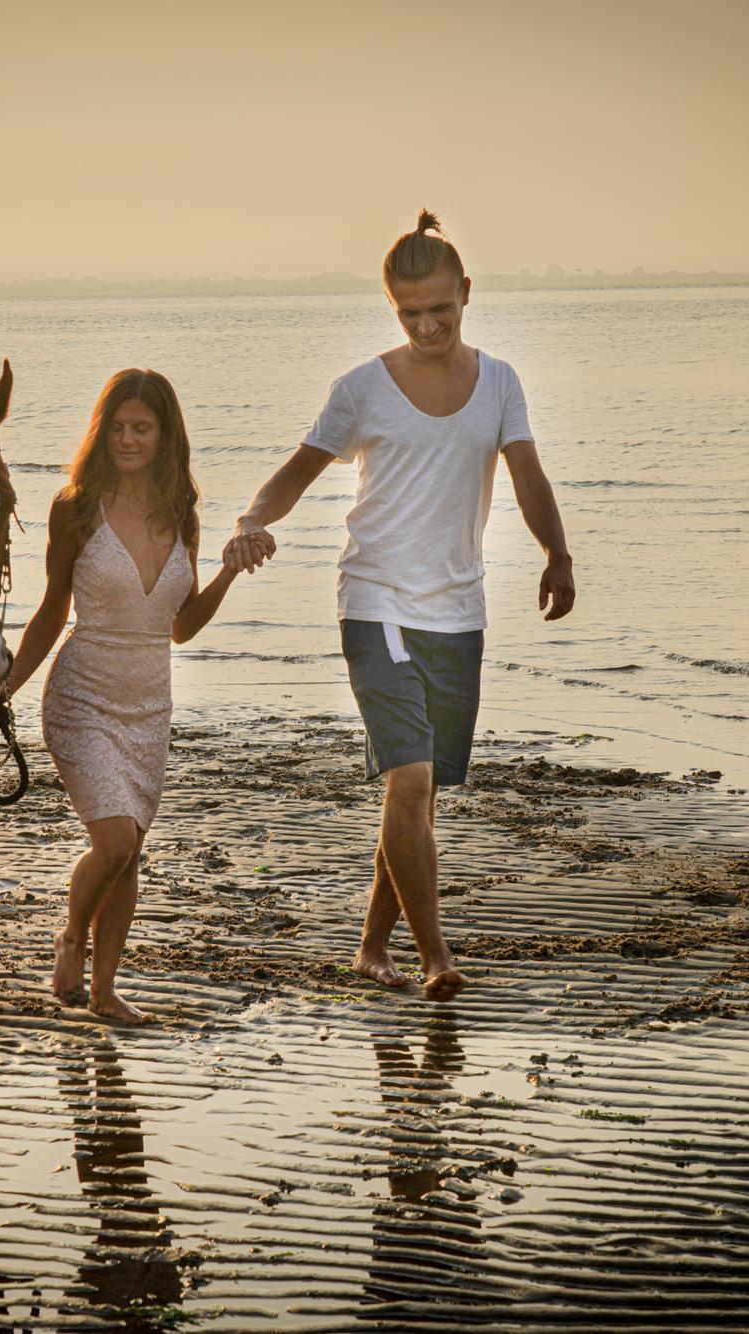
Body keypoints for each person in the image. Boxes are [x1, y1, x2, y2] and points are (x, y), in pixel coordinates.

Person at [223, 210, 576, 1003]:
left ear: (466, 294)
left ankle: (371, 946)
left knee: (417, 795)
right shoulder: (362, 389)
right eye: (410, 312)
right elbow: (295, 474)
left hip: (460, 608)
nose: (426, 325)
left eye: (440, 309)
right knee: (410, 781)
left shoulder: (502, 382)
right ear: (392, 306)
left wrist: (558, 553)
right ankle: (435, 958)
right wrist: (252, 520)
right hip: (375, 597)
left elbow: (528, 476)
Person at [4, 369, 243, 1024]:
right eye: (118, 427)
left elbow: (182, 627)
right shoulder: (75, 506)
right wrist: (5, 688)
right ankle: (71, 938)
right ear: (101, 431)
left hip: (149, 708)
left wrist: (227, 571)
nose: (129, 439)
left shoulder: (181, 515)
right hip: (82, 698)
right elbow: (53, 610)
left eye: (142, 428)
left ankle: (105, 992)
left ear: (165, 435)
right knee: (112, 844)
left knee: (128, 852)